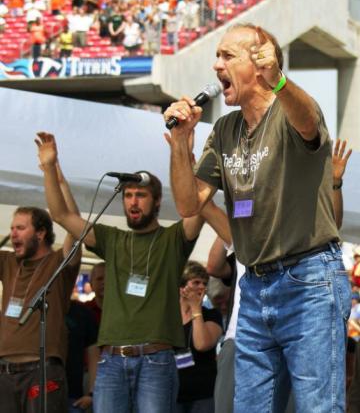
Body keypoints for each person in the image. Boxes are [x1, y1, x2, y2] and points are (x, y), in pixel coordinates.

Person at [165, 23, 350, 412]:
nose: (216, 65)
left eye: (227, 56)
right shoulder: (224, 129)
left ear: (261, 63)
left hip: (309, 280)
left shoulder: (292, 108)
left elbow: (308, 124)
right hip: (254, 284)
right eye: (216, 56)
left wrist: (279, 83)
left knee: (318, 406)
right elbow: (186, 204)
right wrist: (181, 144)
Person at [36, 131, 208, 413]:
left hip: (156, 359)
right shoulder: (112, 238)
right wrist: (49, 168)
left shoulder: (173, 238)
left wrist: (184, 155)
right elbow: (61, 216)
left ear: (156, 201)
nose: (133, 202)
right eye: (128, 195)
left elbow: (198, 204)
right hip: (111, 361)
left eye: (140, 195)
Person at [0, 154, 82, 412]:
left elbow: (76, 227)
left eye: (20, 228)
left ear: (40, 233)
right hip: (4, 372)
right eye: (12, 228)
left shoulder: (59, 261)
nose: (13, 233)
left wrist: (59, 180)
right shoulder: (8, 261)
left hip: (42, 371)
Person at [176, 262, 223, 413]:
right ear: (181, 287)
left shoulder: (211, 315)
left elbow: (202, 344)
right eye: (196, 282)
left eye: (204, 283)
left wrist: (196, 309)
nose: (202, 287)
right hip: (172, 393)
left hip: (203, 395)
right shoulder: (166, 317)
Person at [65, 299, 98, 413]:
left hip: (73, 397)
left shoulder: (82, 312)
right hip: (39, 392)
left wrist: (91, 393)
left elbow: (94, 354)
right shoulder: (39, 309)